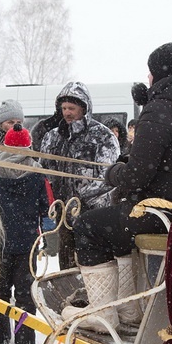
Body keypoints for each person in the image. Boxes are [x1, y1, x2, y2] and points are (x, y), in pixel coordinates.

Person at [64, 32, 172, 333]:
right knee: (116, 225)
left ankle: (103, 314)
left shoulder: (160, 110)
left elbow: (137, 175)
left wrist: (113, 173)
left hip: (166, 213)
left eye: (150, 71)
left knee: (88, 226)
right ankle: (129, 308)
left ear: (158, 74)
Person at [38, 81, 119, 269]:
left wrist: (82, 197)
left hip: (92, 214)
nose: (67, 112)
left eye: (71, 108)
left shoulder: (102, 136)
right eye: (64, 107)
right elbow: (44, 172)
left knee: (94, 266)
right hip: (62, 214)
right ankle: (71, 297)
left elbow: (108, 176)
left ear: (84, 108)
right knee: (67, 267)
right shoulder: (52, 136)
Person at [0, 123, 50, 344]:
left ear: (6, 145)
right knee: (25, 293)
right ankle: (24, 342)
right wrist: (49, 235)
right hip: (28, 243)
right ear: (28, 145)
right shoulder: (37, 174)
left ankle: (0, 341)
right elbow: (48, 208)